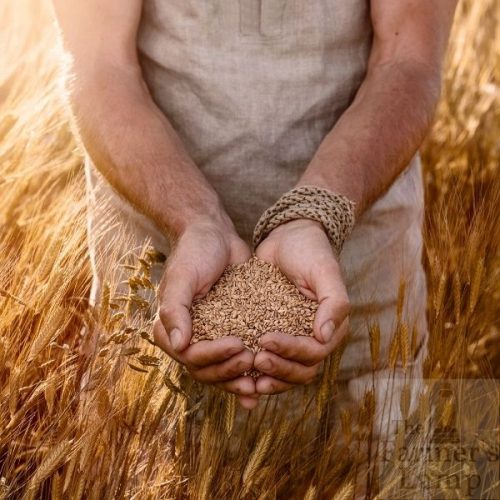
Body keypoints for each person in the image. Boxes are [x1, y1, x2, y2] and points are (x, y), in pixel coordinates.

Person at [52, 0, 456, 417]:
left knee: (374, 474)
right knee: (138, 465)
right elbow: (100, 66)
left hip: (360, 283)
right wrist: (193, 220)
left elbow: (407, 60)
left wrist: (316, 214)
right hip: (152, 285)